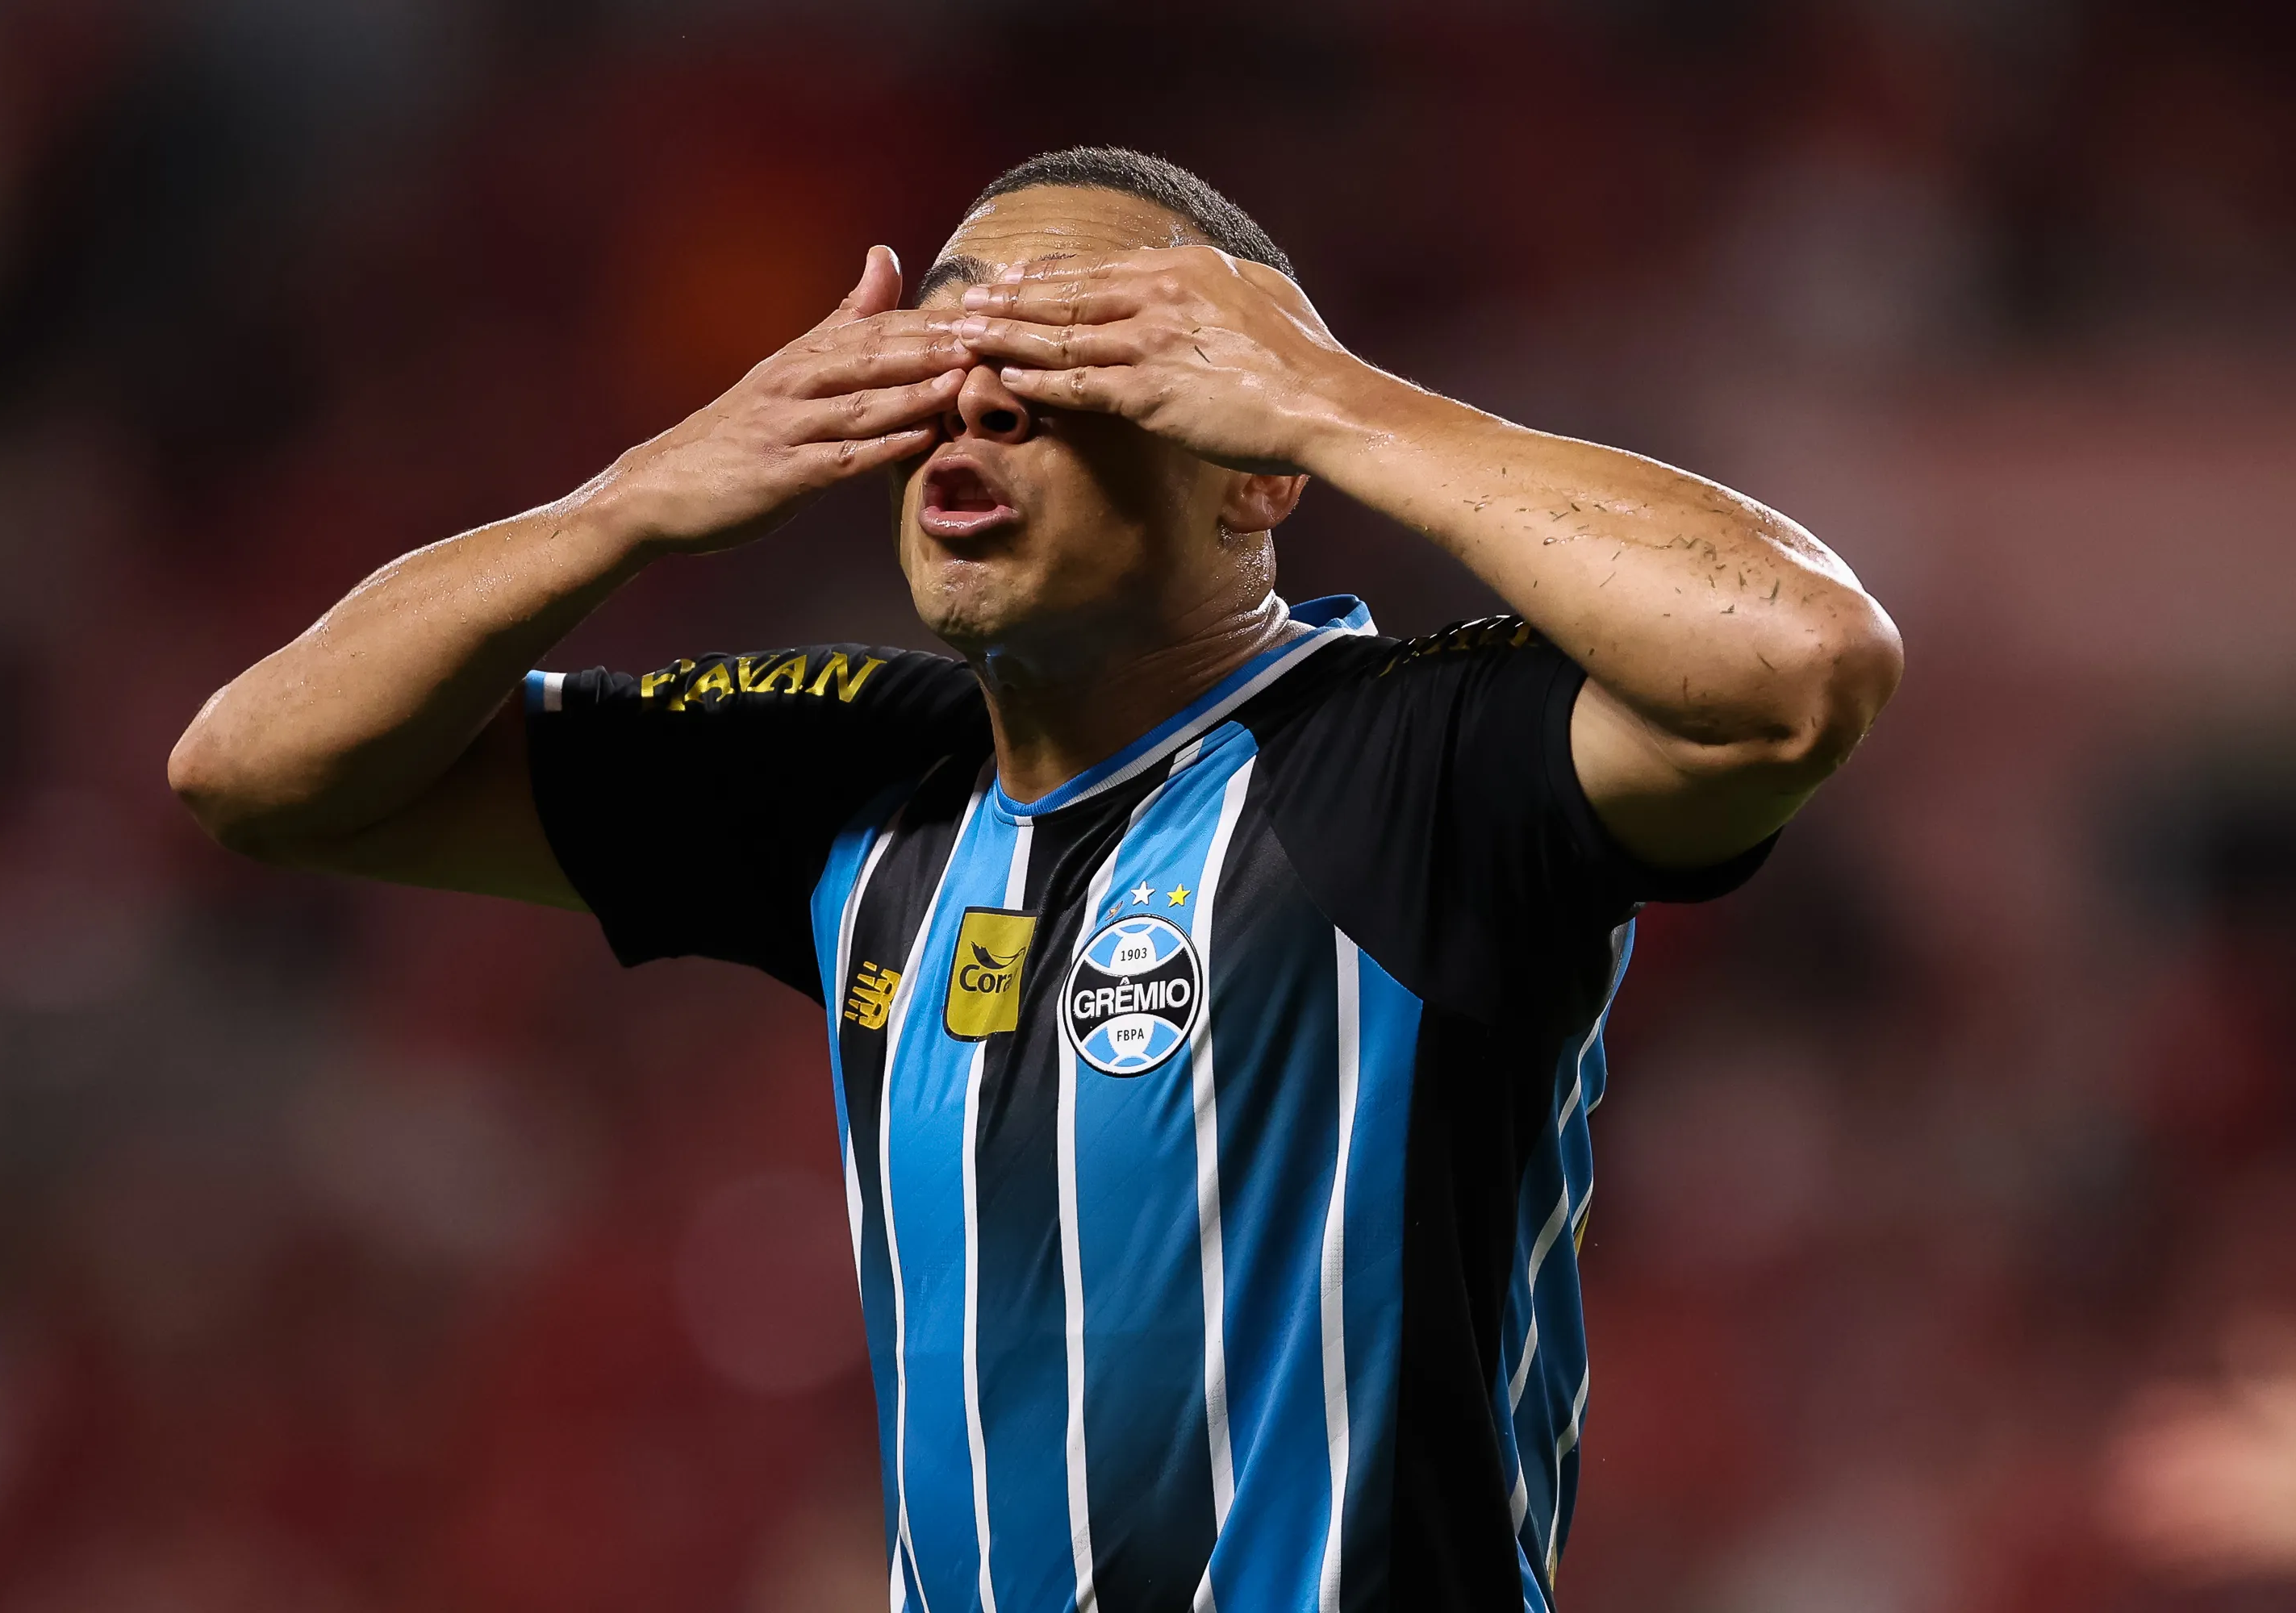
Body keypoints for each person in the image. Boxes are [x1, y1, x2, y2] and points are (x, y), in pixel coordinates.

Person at [169, 147, 1902, 1613]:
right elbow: (259, 773)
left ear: (1254, 467)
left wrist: (1337, 396)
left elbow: (1802, 660)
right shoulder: (854, 774)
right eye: (942, 360)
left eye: (1082, 359)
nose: (976, 398)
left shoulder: (1407, 765)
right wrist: (629, 502)